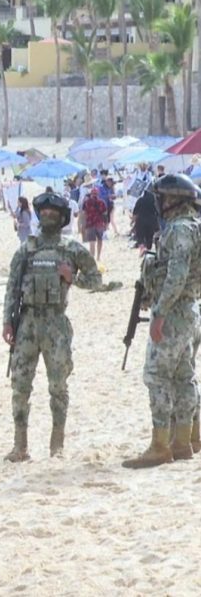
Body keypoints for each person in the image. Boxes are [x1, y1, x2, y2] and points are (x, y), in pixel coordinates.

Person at [3, 192, 111, 462]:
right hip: (26, 323)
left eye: (54, 211)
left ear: (62, 217)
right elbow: (12, 288)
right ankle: (20, 445)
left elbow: (96, 280)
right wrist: (7, 321)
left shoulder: (71, 249)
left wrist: (71, 277)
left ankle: (57, 444)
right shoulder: (26, 248)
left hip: (56, 324)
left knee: (58, 385)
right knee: (20, 385)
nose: (48, 215)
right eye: (45, 211)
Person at [123, 174, 201, 468]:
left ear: (172, 199)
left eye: (163, 198)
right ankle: (185, 441)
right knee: (183, 377)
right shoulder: (195, 226)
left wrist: (159, 314)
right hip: (191, 310)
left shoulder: (180, 230)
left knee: (156, 376)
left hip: (175, 312)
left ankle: (160, 446)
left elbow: (177, 275)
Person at [82, 187, 108, 262]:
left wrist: (83, 224)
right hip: (99, 223)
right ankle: (98, 256)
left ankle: (92, 257)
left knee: (92, 242)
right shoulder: (101, 202)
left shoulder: (86, 203)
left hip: (90, 223)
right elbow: (105, 214)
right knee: (100, 240)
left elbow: (84, 214)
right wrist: (106, 224)